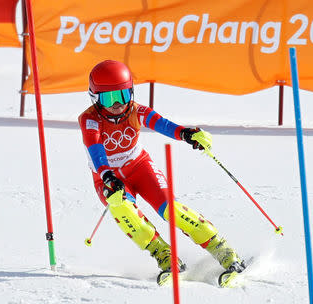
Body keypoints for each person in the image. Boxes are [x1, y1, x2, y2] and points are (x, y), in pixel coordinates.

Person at [78, 60, 245, 284]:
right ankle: (165, 256)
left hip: (139, 167)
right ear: (95, 98)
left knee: (171, 209)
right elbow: (95, 147)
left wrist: (186, 134)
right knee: (122, 208)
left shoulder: (136, 111)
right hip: (107, 177)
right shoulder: (89, 119)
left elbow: (162, 124)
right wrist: (108, 176)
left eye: (124, 95)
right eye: (109, 98)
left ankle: (223, 250)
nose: (118, 104)